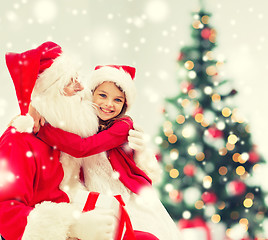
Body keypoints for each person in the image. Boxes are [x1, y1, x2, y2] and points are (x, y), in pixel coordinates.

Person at [0, 42, 152, 240]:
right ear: (52, 91)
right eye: (71, 82)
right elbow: (6, 213)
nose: (82, 88)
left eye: (78, 78)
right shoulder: (20, 139)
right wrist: (73, 226)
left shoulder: (67, 131)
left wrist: (140, 155)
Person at [33, 65, 181, 240]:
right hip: (94, 193)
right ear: (91, 94)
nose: (109, 104)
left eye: (118, 100)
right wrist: (37, 111)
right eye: (103, 95)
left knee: (140, 233)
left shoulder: (123, 126)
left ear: (125, 105)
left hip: (124, 193)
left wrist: (42, 130)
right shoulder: (84, 120)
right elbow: (62, 114)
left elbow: (83, 148)